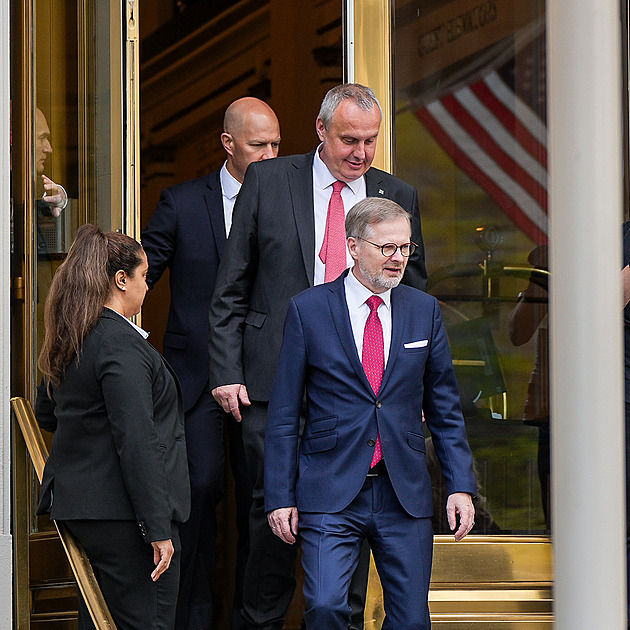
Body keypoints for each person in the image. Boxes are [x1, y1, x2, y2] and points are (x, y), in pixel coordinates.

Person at [208, 83, 428, 630]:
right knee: (269, 513)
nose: (361, 152)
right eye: (349, 139)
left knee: (349, 504)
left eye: (371, 141)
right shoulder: (269, 179)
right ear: (320, 131)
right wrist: (226, 371)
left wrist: (412, 393)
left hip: (360, 391)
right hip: (268, 380)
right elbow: (231, 287)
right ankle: (259, 622)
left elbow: (415, 300)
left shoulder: (395, 195)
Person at [264, 198, 476, 629]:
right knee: (324, 606)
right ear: (353, 246)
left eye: (405, 248)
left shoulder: (424, 310)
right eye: (387, 248)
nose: (398, 259)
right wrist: (280, 495)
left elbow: (445, 408)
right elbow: (285, 413)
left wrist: (460, 485)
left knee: (412, 619)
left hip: (404, 490)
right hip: (330, 487)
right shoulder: (308, 309)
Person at [142, 96, 280, 630]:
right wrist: (112, 326)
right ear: (228, 144)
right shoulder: (181, 201)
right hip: (195, 377)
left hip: (262, 376)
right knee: (197, 493)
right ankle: (189, 619)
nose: (270, 156)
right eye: (257, 145)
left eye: (275, 144)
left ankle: (252, 620)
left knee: (262, 501)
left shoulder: (288, 199)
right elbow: (142, 270)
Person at [35, 224, 190, 630]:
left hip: (84, 509)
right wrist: (157, 527)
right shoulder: (120, 343)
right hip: (127, 517)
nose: (147, 286)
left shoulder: (73, 334)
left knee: (101, 621)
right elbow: (138, 441)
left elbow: (48, 412)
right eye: (144, 275)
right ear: (121, 279)